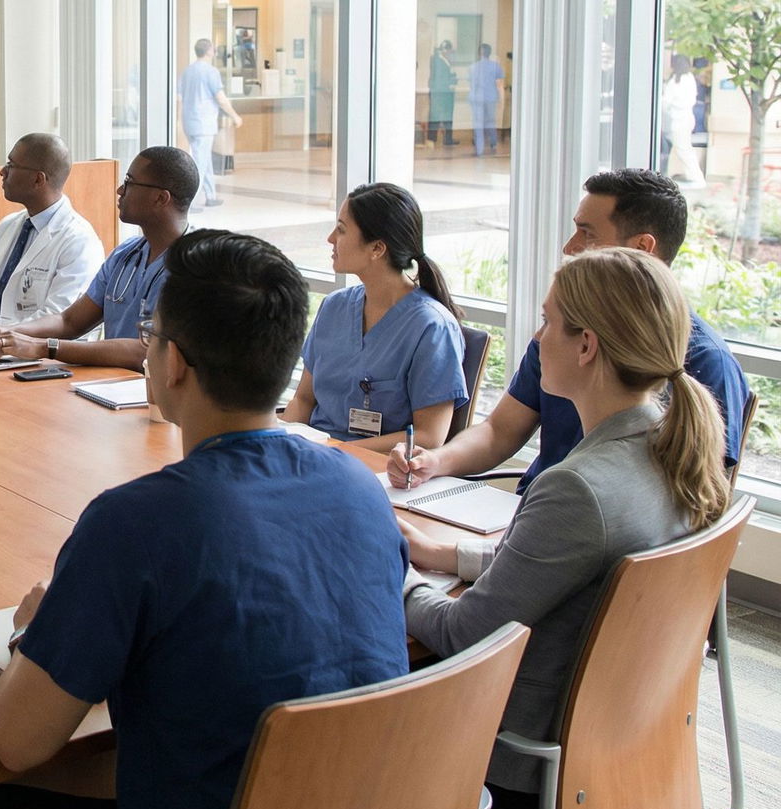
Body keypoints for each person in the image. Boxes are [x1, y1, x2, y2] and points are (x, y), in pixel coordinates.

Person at [0, 231, 409, 809]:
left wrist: (34, 631)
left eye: (151, 335)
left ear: (176, 363)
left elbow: (18, 742)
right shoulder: (363, 492)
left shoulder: (137, 524)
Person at [400, 246, 731, 809]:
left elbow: (459, 633)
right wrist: (444, 557)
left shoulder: (578, 487)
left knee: (335, 689)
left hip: (521, 765)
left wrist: (394, 575)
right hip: (625, 752)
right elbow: (572, 569)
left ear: (587, 346)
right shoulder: (668, 451)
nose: (534, 337)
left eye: (546, 321)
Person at [389, 170, 749, 492]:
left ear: (642, 248)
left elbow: (700, 499)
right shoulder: (561, 332)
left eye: (586, 233)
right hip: (538, 516)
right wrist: (436, 461)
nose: (569, 247)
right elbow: (500, 431)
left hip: (593, 543)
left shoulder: (702, 360)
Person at [0, 147, 196, 372]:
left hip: (156, 394)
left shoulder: (193, 267)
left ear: (160, 198)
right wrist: (10, 334)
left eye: (129, 182)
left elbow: (149, 351)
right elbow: (70, 321)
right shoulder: (126, 253)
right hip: (111, 384)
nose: (119, 190)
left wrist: (43, 347)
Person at [283, 182, 466, 451]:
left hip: (377, 470)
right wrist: (279, 446)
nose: (331, 238)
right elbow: (303, 400)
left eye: (342, 230)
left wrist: (339, 453)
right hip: (315, 456)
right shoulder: (334, 307)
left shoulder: (432, 327)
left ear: (377, 249)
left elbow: (429, 437)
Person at [0, 134, 103, 329]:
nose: (3, 172)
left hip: (26, 350)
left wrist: (0, 336)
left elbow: (57, 317)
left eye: (11, 165)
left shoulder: (79, 241)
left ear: (38, 179)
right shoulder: (8, 225)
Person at [176, 39, 241, 208]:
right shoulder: (211, 72)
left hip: (189, 121)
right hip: (203, 123)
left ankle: (211, 195)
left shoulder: (187, 71)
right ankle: (192, 203)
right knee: (200, 162)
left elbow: (179, 97)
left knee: (205, 159)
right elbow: (221, 99)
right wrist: (235, 116)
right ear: (209, 51)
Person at [660, 52, 704, 186]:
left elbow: (666, 102)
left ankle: (696, 177)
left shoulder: (676, 81)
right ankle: (694, 176)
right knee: (684, 148)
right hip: (686, 118)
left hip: (679, 120)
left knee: (683, 149)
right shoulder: (689, 78)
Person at [468, 42, 505, 157]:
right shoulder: (495, 66)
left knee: (478, 123)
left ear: (479, 53)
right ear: (489, 53)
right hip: (490, 97)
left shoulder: (473, 67)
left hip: (477, 98)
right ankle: (493, 143)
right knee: (490, 121)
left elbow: (471, 85)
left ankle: (479, 149)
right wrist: (501, 100)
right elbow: (499, 84)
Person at [428, 40, 457, 148]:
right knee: (436, 116)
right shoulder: (438, 60)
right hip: (441, 93)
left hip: (444, 92)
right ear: (446, 50)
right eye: (449, 51)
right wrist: (450, 81)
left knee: (447, 117)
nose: (450, 53)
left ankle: (448, 138)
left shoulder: (443, 60)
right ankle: (433, 139)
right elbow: (440, 78)